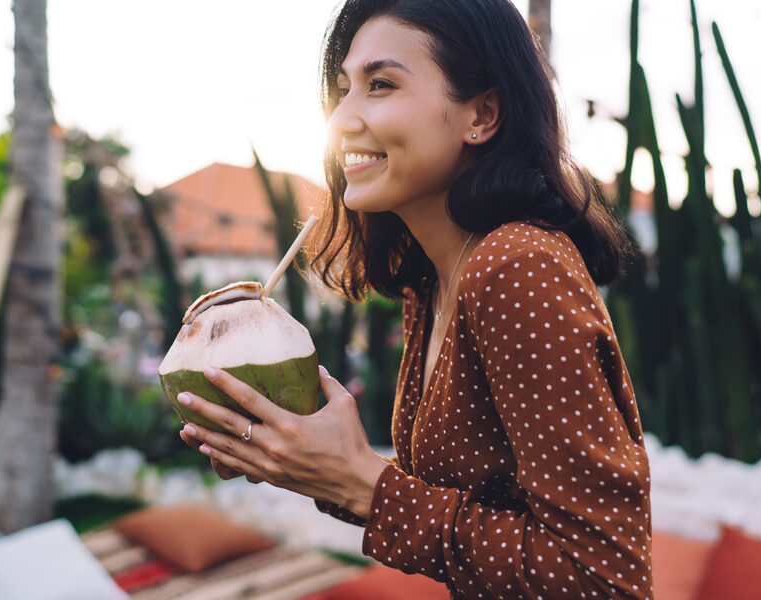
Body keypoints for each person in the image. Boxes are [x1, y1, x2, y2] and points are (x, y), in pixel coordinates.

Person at [177, 0, 653, 598]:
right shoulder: (433, 281)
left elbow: (602, 578)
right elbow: (469, 503)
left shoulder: (518, 269)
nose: (342, 119)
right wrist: (310, 465)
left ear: (482, 114)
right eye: (342, 89)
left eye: (380, 85)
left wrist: (364, 485)